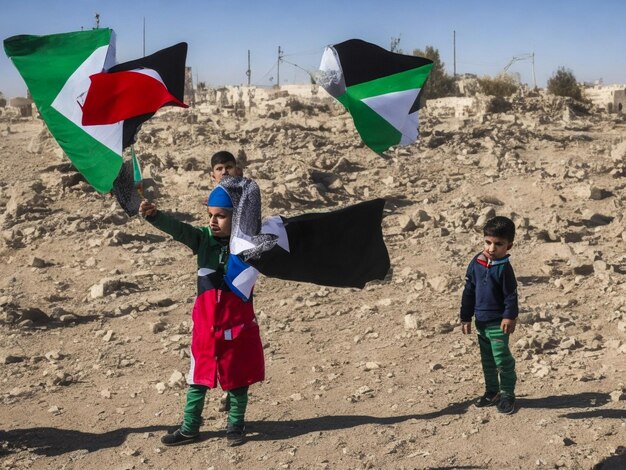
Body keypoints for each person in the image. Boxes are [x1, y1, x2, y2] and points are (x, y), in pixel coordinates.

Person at [139, 185, 265, 446]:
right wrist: (154, 216)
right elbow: (179, 229)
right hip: (206, 325)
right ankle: (190, 427)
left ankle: (235, 426)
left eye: (220, 216)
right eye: (210, 215)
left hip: (238, 326)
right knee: (198, 378)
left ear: (236, 217)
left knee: (238, 379)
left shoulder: (250, 246)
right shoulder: (202, 239)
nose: (213, 220)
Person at [460, 216, 519, 414]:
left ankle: (508, 394)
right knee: (488, 361)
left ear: (508, 246)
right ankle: (492, 392)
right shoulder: (476, 263)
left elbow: (511, 295)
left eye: (498, 244)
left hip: (497, 323)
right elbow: (469, 290)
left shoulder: (504, 268)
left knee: (502, 360)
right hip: (481, 322)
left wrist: (509, 316)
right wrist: (466, 317)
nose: (492, 248)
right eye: (488, 242)